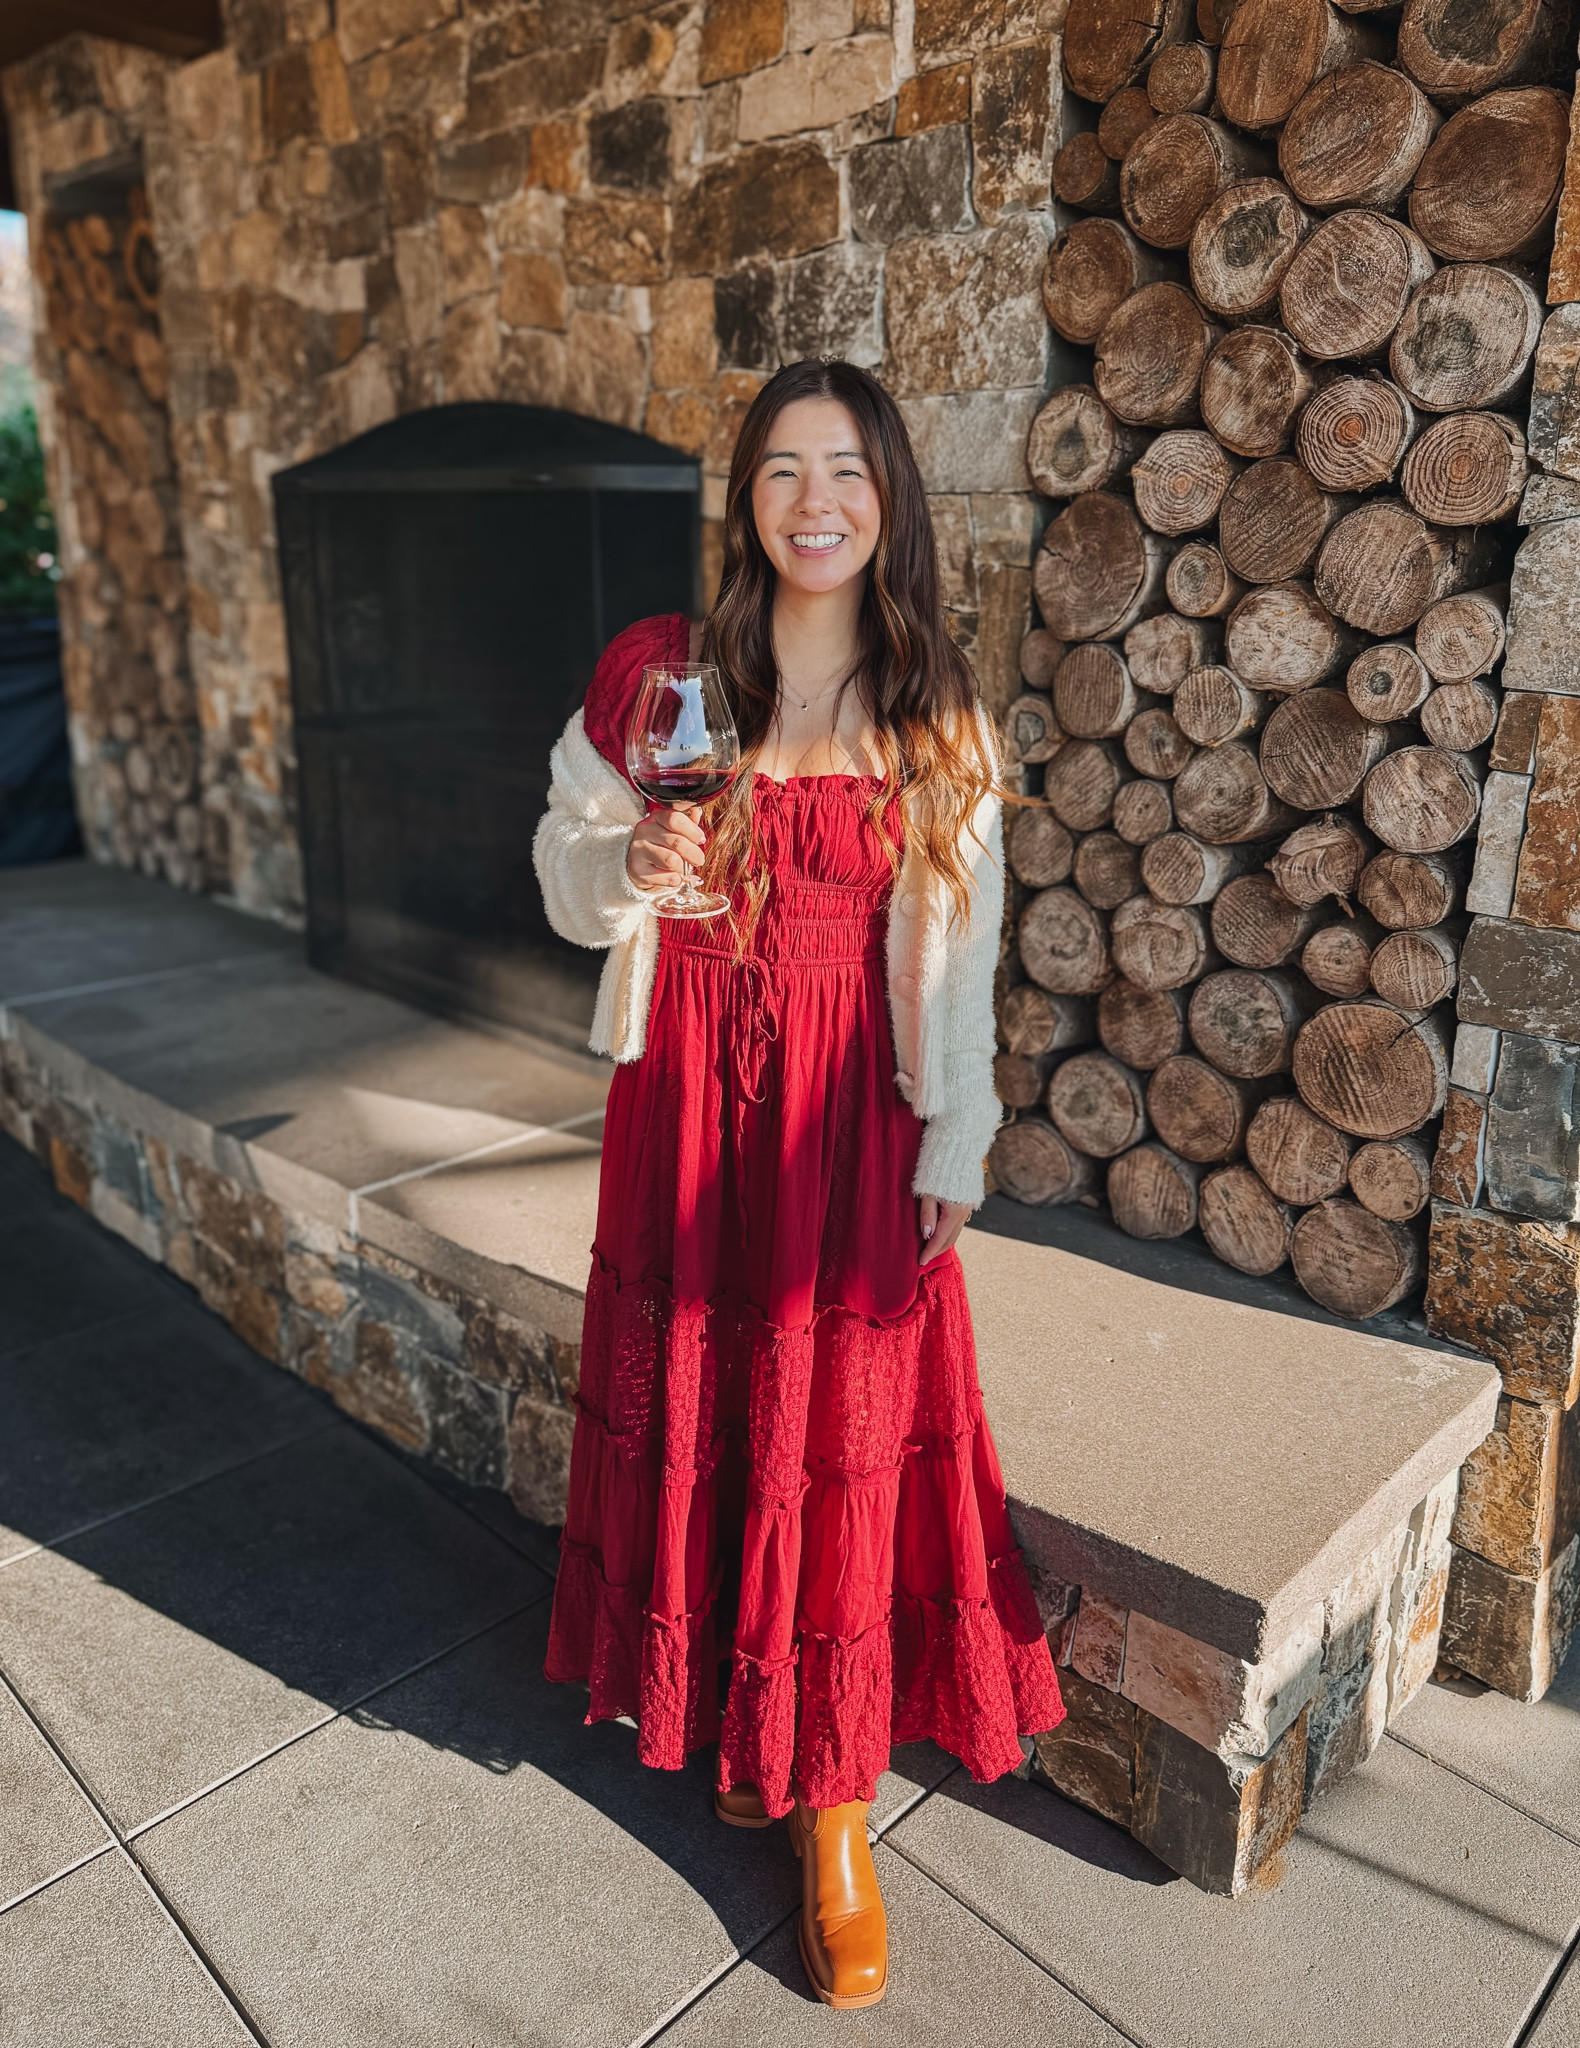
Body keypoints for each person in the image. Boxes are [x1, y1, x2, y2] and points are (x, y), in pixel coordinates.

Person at [532, 357, 1063, 2010]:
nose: (813, 504)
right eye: (780, 472)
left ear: (886, 498)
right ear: (744, 499)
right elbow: (558, 862)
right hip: (687, 1105)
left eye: (844, 471)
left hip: (846, 1125)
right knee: (714, 1408)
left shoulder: (932, 707)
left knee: (833, 1431)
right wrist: (621, 866)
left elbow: (959, 958)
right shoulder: (663, 679)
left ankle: (835, 1806)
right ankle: (738, 1727)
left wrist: (955, 1140)